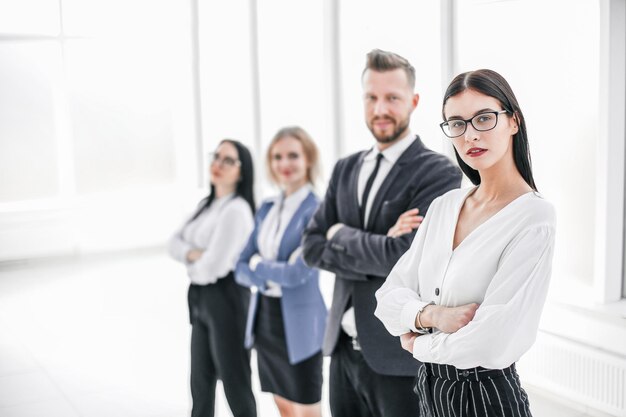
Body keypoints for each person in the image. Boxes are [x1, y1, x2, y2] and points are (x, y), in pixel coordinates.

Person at [374, 69, 556, 417]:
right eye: (456, 123)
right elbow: (387, 298)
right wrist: (433, 315)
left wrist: (417, 341)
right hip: (429, 387)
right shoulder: (444, 207)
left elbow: (493, 341)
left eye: (484, 118)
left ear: (513, 121)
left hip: (485, 393)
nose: (470, 133)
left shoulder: (534, 218)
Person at [301, 49, 462, 417]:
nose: (380, 108)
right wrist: (379, 244)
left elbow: (404, 256)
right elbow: (310, 246)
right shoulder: (344, 169)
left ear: (414, 101)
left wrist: (339, 233)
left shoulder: (437, 173)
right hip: (341, 350)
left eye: (392, 98)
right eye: (372, 97)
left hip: (397, 356)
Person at [235, 126, 326, 417]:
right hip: (265, 319)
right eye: (277, 157)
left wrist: (258, 265)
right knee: (283, 406)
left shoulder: (317, 210)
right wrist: (261, 272)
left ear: (308, 159)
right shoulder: (267, 207)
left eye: (292, 156)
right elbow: (239, 266)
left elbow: (297, 274)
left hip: (300, 324)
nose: (284, 164)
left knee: (307, 407)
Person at [168, 139, 257, 417]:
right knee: (200, 381)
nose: (218, 164)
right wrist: (196, 254)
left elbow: (214, 267)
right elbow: (172, 243)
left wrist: (191, 259)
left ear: (242, 171)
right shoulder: (206, 204)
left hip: (227, 299)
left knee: (235, 383)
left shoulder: (237, 210)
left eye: (228, 160)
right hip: (202, 299)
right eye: (216, 157)